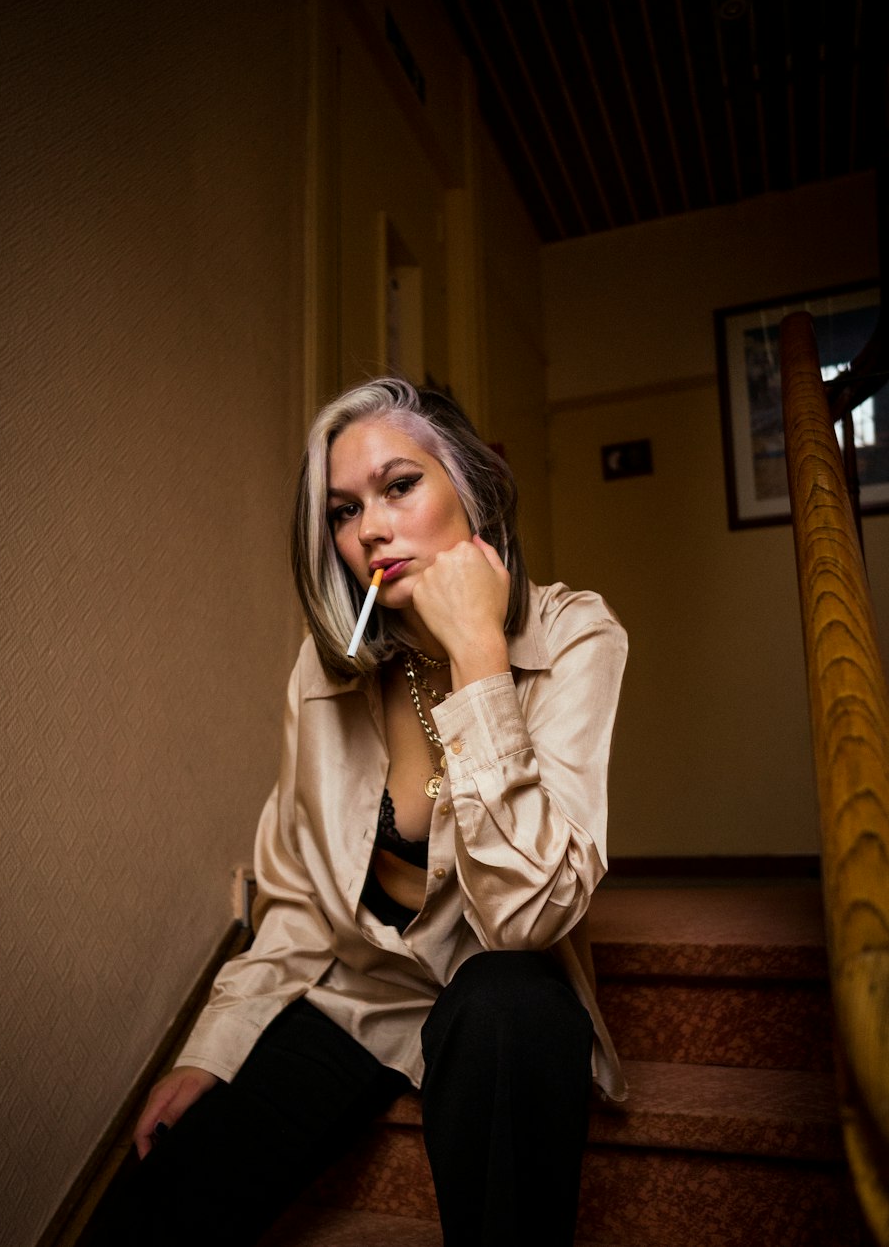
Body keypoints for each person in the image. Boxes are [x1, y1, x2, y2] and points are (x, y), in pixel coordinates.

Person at [90, 378, 627, 1246]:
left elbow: (532, 914)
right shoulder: (324, 670)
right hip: (361, 993)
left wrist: (480, 655)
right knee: (161, 1191)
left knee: (508, 1008)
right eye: (343, 510)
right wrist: (211, 1047)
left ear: (474, 490)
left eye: (400, 486)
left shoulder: (575, 636)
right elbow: (300, 893)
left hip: (496, 986)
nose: (371, 527)